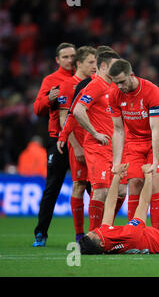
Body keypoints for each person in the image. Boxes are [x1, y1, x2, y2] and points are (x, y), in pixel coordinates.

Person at [108, 59, 159, 227]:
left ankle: (157, 233)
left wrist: (156, 162)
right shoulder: (114, 94)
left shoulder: (152, 91)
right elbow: (118, 130)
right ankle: (134, 233)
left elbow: (156, 130)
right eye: (116, 83)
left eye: (122, 81)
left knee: (154, 184)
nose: (119, 86)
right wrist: (116, 162)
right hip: (134, 141)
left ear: (131, 75)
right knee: (134, 184)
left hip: (157, 139)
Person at [72, 50, 122, 232]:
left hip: (114, 148)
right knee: (100, 191)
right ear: (103, 66)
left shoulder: (113, 87)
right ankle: (94, 235)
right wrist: (95, 133)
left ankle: (104, 228)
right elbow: (78, 110)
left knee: (121, 190)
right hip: (97, 147)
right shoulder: (96, 85)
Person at [32, 42, 76, 247]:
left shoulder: (84, 78)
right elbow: (37, 109)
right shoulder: (51, 80)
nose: (70, 60)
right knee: (52, 187)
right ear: (57, 60)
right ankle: (40, 233)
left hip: (82, 140)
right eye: (65, 57)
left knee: (90, 186)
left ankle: (98, 232)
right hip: (57, 139)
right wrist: (48, 99)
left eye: (72, 56)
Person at [58, 45, 97, 242]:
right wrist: (76, 145)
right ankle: (79, 234)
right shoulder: (68, 85)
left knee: (99, 189)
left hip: (97, 144)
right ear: (79, 63)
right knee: (79, 186)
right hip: (79, 145)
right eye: (91, 62)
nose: (95, 66)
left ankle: (96, 232)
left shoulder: (98, 83)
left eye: (96, 62)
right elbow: (64, 118)